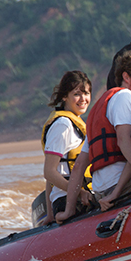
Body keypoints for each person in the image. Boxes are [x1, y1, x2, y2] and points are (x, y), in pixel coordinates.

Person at [57, 51, 131, 220]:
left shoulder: (100, 108)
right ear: (126, 77)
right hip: (124, 187)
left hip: (101, 191)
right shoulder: (126, 97)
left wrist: (69, 210)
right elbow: (125, 141)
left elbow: (80, 165)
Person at [39, 71, 93, 226]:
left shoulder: (74, 123)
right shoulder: (63, 124)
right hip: (70, 201)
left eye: (87, 93)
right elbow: (49, 172)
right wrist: (80, 192)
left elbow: (54, 174)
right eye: (77, 94)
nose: (83, 99)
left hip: (74, 197)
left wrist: (49, 215)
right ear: (64, 96)